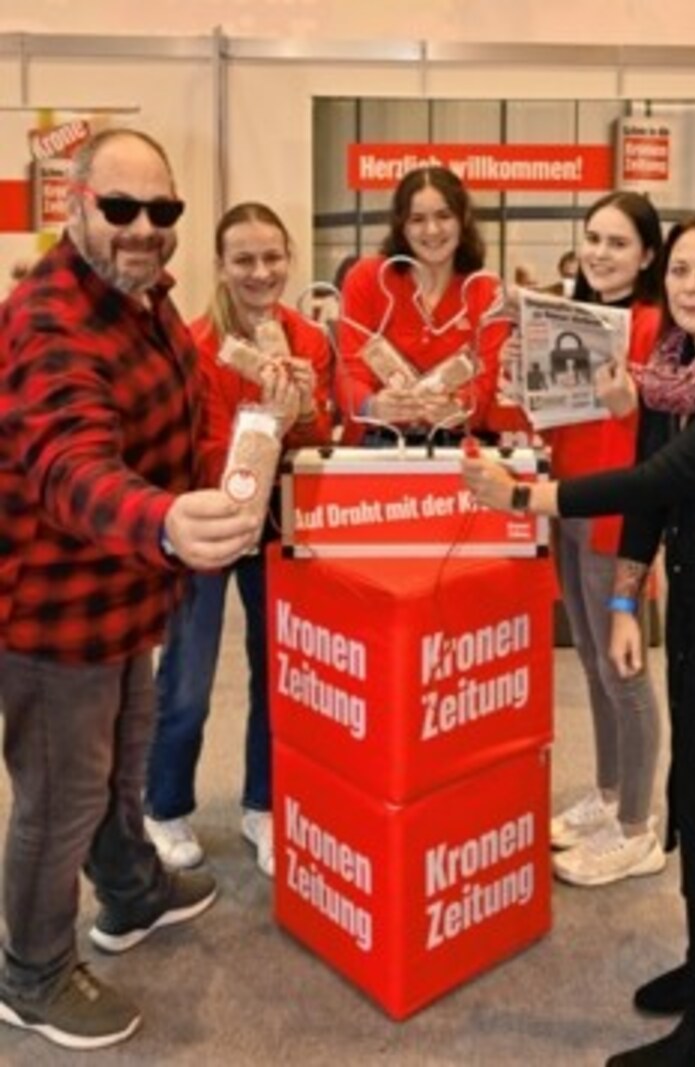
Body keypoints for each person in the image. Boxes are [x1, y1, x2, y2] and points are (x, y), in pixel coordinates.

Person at [463, 206, 695, 1066]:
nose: (691, 287)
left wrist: (524, 499)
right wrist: (623, 605)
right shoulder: (676, 370)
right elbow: (656, 501)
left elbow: (664, 472)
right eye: (682, 271)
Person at [0, 128, 261, 1050]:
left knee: (123, 760)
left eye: (163, 211)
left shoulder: (144, 296)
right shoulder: (47, 317)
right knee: (60, 793)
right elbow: (69, 464)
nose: (144, 227)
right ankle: (30, 973)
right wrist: (162, 520)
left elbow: (181, 410)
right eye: (121, 208)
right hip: (54, 613)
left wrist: (243, 444)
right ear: (74, 207)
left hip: (129, 595)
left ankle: (131, 889)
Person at [144, 202, 332, 877]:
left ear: (289, 258)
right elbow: (204, 449)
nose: (261, 272)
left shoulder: (308, 339)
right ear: (221, 266)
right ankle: (162, 806)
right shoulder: (195, 343)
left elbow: (317, 444)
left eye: (273, 257)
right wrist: (266, 420)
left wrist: (304, 412)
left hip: (280, 525)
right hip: (207, 522)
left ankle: (266, 803)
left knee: (279, 671)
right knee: (188, 679)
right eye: (245, 259)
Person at [546, 192, 665, 888]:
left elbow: (662, 416)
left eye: (619, 243)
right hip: (567, 498)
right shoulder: (572, 317)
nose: (600, 252)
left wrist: (635, 399)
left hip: (619, 512)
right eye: (593, 237)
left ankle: (637, 828)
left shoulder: (654, 325)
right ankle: (611, 789)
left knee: (625, 672)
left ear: (647, 254)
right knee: (590, 658)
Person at [335, 165, 509, 445]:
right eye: (417, 219)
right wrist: (374, 405)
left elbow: (485, 384)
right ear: (401, 225)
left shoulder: (487, 291)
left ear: (463, 219)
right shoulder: (367, 278)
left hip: (459, 446)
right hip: (376, 444)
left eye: (444, 216)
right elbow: (349, 371)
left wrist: (459, 408)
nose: (432, 230)